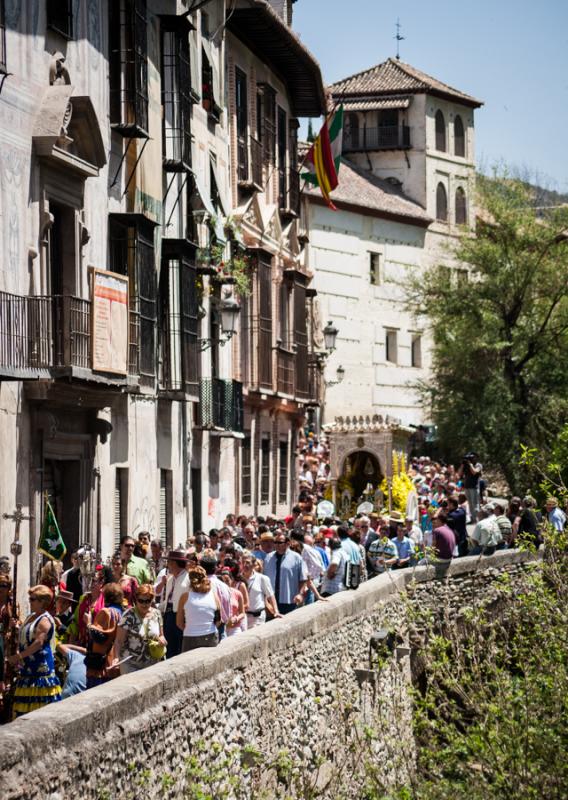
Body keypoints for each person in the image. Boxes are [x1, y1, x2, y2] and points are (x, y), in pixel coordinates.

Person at [8, 585, 61, 716]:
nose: (29, 601)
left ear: (42, 602)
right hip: (27, 670)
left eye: (32, 599)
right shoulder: (32, 616)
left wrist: (19, 656)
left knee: (39, 709)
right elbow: (27, 633)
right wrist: (16, 626)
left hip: (40, 671)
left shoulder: (45, 620)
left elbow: (38, 643)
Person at [114, 584, 165, 674]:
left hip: (152, 662)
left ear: (152, 600)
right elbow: (118, 640)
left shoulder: (157, 614)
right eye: (141, 601)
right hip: (130, 664)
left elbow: (161, 635)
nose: (144, 604)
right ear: (136, 600)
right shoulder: (128, 615)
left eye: (147, 601)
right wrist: (116, 658)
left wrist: (162, 640)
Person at [85, 582, 124, 688]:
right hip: (114, 662)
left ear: (106, 597)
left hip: (101, 664)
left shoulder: (106, 612)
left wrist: (88, 623)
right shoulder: (121, 612)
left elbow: (98, 636)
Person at [177, 566, 220, 651]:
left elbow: (179, 623)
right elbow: (219, 620)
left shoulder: (184, 597)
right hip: (210, 636)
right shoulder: (214, 595)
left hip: (190, 637)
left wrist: (192, 629)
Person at [264, 533, 307, 615]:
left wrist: (300, 594)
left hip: (289, 600)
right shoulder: (268, 558)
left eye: (279, 543)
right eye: (275, 542)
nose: (276, 545)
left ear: (287, 543)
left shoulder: (296, 558)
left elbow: (303, 578)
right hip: (271, 600)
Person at [158, 549, 190, 659]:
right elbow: (168, 599)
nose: (168, 566)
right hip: (168, 616)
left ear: (175, 563)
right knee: (169, 648)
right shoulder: (170, 579)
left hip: (181, 616)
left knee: (179, 647)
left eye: (169, 562)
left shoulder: (188, 579)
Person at [241, 556, 280, 628]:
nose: (244, 565)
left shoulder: (262, 578)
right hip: (243, 617)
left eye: (247, 563)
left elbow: (270, 596)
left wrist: (276, 611)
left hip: (258, 618)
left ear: (253, 565)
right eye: (243, 562)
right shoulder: (238, 579)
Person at [218, 568, 247, 636]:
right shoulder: (217, 594)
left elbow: (242, 613)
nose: (225, 583)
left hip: (235, 628)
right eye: (223, 581)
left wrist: (236, 619)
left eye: (227, 580)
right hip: (222, 628)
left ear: (232, 580)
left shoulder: (238, 593)